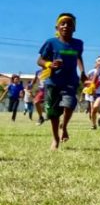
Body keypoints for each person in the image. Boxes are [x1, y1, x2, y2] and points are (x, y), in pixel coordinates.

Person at [37, 13, 86, 150]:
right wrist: (49, 65)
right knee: (53, 113)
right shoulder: (51, 42)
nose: (66, 26)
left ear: (74, 28)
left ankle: (63, 127)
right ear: (57, 27)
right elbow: (39, 60)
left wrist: (82, 72)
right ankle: (55, 139)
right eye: (63, 23)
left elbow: (78, 57)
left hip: (70, 80)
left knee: (70, 104)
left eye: (69, 24)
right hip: (53, 82)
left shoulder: (78, 43)